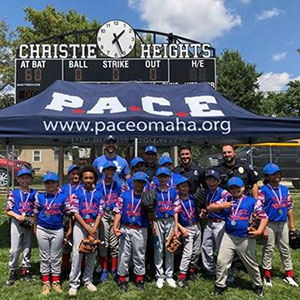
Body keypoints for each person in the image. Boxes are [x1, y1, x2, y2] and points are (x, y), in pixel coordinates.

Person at [208, 177, 268, 297]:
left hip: (245, 237)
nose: (235, 190)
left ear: (243, 188)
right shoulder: (227, 199)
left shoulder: (252, 201)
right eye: (232, 188)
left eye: (238, 187)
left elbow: (264, 216)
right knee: (221, 261)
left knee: (251, 263)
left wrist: (260, 231)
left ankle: (257, 285)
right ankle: (220, 285)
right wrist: (223, 206)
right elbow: (210, 208)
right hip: (229, 235)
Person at [259, 163, 298, 287]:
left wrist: (292, 227)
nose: (276, 176)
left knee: (285, 248)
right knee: (269, 248)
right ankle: (267, 274)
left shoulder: (284, 189)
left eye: (278, 173)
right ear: (267, 176)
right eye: (273, 174)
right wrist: (263, 227)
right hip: (269, 223)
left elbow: (289, 208)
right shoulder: (263, 190)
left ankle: (289, 274)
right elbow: (259, 210)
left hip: (282, 223)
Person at [34, 172, 71, 295]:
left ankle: (55, 281)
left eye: (52, 183)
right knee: (44, 256)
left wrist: (68, 230)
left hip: (57, 229)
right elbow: (35, 213)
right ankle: (46, 283)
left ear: (57, 184)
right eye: (47, 183)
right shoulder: (40, 197)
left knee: (55, 256)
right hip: (42, 228)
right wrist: (35, 228)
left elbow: (68, 214)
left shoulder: (63, 197)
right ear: (44, 184)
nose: (50, 185)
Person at [68, 166, 103, 296]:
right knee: (78, 253)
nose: (88, 180)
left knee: (91, 253)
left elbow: (100, 212)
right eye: (86, 178)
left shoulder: (99, 193)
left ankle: (88, 279)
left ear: (94, 179)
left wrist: (94, 228)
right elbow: (75, 212)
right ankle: (74, 283)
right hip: (80, 224)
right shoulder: (76, 193)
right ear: (82, 179)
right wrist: (87, 227)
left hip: (94, 224)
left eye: (91, 178)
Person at [113, 171, 150, 292]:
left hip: (140, 228)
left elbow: (152, 217)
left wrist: (152, 210)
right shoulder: (125, 195)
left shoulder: (147, 196)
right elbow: (118, 211)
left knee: (139, 254)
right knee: (124, 254)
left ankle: (139, 278)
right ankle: (122, 278)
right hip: (126, 227)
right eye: (137, 181)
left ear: (145, 183)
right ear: (133, 182)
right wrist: (115, 226)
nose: (139, 184)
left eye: (142, 182)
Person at [5, 168, 36, 285]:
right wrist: (18, 216)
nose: (25, 180)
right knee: (14, 249)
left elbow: (37, 207)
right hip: (16, 223)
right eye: (22, 178)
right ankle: (13, 270)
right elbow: (8, 210)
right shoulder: (14, 193)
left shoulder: (34, 193)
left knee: (27, 247)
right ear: (17, 179)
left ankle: (26, 269)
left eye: (27, 177)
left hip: (28, 222)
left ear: (31, 179)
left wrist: (31, 217)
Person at [153, 167, 180, 289]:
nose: (163, 179)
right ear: (157, 178)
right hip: (158, 220)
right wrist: (153, 224)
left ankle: (169, 275)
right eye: (161, 177)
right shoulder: (153, 191)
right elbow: (151, 209)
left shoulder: (174, 191)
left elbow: (176, 209)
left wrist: (175, 227)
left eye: (165, 176)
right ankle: (159, 275)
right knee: (158, 248)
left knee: (170, 247)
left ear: (169, 177)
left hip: (170, 220)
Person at [96, 161, 123, 282]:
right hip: (103, 215)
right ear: (103, 171)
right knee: (103, 243)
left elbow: (121, 200)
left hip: (115, 214)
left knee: (114, 244)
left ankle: (114, 268)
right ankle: (104, 269)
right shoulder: (99, 185)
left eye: (112, 170)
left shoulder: (118, 185)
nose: (110, 172)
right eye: (108, 170)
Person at [201, 170, 230, 278]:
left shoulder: (224, 192)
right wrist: (205, 213)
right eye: (209, 180)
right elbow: (209, 208)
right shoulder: (207, 192)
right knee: (205, 246)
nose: (211, 182)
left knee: (221, 249)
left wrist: (214, 207)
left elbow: (227, 204)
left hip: (220, 223)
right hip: (210, 222)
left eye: (214, 180)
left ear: (218, 181)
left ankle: (225, 271)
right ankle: (210, 270)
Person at [176, 176, 201, 288]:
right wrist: (181, 228)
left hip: (197, 225)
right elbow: (174, 219)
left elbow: (197, 212)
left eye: (187, 186)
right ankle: (182, 276)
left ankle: (192, 270)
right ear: (178, 188)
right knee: (188, 252)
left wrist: (201, 212)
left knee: (196, 251)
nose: (185, 189)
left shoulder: (192, 198)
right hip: (186, 228)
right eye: (182, 186)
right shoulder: (177, 201)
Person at [61, 164, 82, 278]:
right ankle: (65, 266)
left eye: (77, 174)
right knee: (66, 243)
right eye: (73, 174)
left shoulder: (83, 187)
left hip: (79, 218)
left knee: (79, 244)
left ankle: (80, 266)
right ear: (69, 175)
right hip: (67, 217)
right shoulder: (64, 188)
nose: (75, 176)